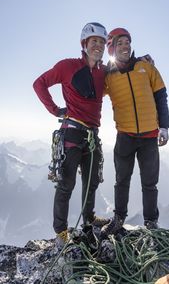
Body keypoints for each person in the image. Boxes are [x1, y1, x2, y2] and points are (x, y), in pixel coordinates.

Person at [33, 22, 110, 247]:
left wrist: (142, 60)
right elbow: (39, 83)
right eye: (94, 41)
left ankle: (88, 219)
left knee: (91, 181)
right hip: (72, 134)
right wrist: (55, 110)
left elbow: (124, 69)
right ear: (84, 44)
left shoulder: (103, 72)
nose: (98, 45)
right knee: (66, 184)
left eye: (102, 42)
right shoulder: (67, 66)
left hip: (92, 135)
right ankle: (61, 232)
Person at [101, 28, 169, 237]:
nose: (125, 46)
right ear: (112, 48)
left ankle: (151, 222)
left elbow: (161, 96)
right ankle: (119, 218)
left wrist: (165, 126)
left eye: (127, 42)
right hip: (125, 135)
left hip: (150, 135)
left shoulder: (146, 67)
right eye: (120, 43)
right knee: (122, 179)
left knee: (150, 182)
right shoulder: (108, 76)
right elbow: (93, 92)